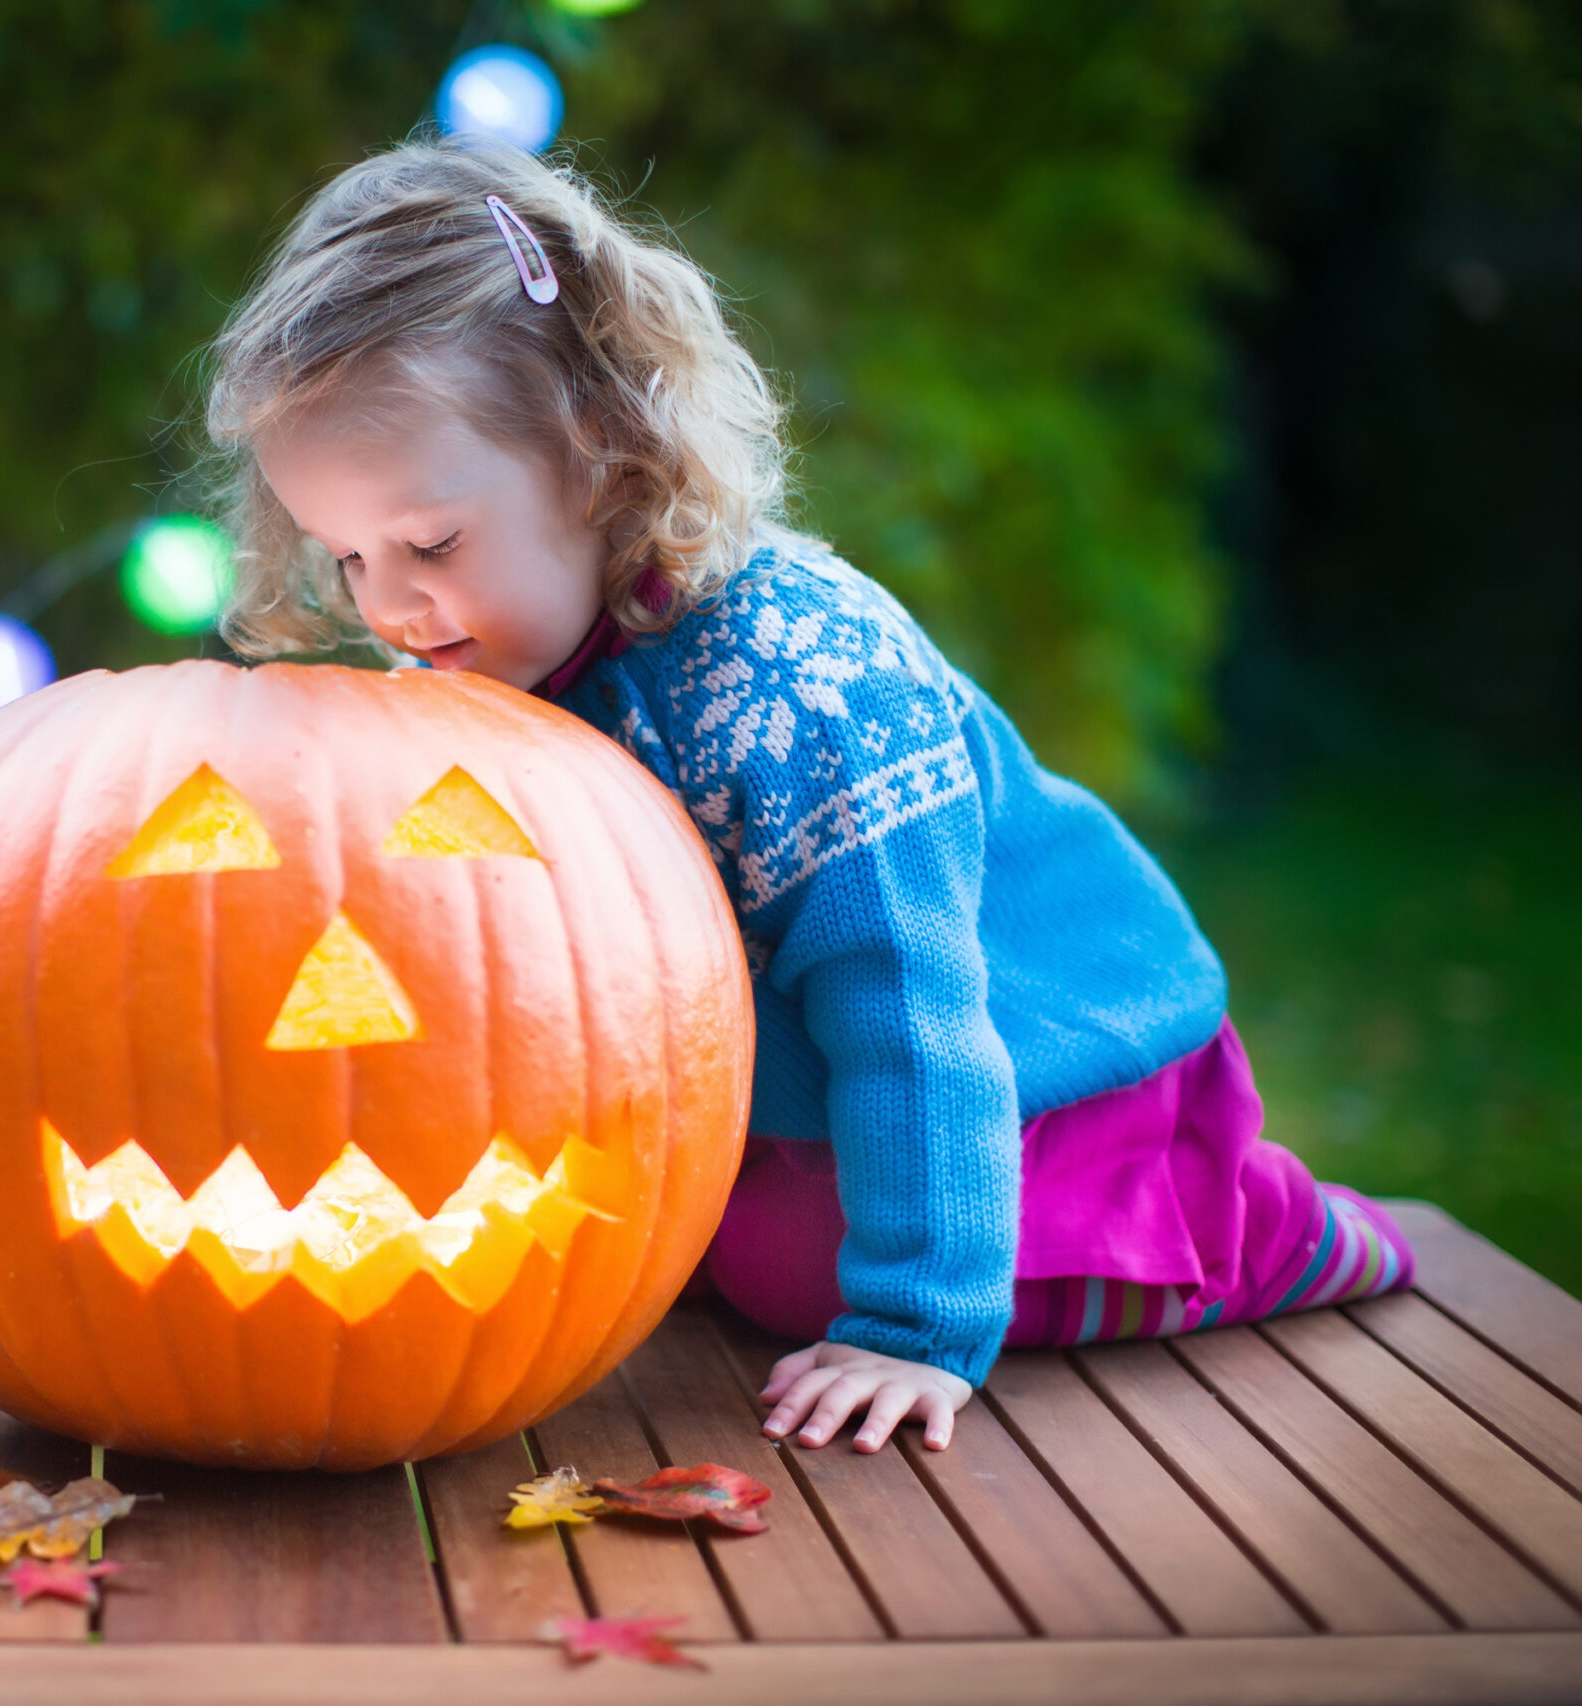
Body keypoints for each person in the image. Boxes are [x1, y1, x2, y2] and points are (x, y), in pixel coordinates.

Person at [200, 139, 1413, 1455]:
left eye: (429, 543)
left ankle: (1267, 1228)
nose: (387, 606)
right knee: (687, 1243)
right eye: (348, 556)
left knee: (787, 1272)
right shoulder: (507, 652)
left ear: (596, 443)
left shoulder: (798, 690)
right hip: (805, 1096)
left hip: (1045, 1069)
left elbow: (913, 1009)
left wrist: (916, 1329)